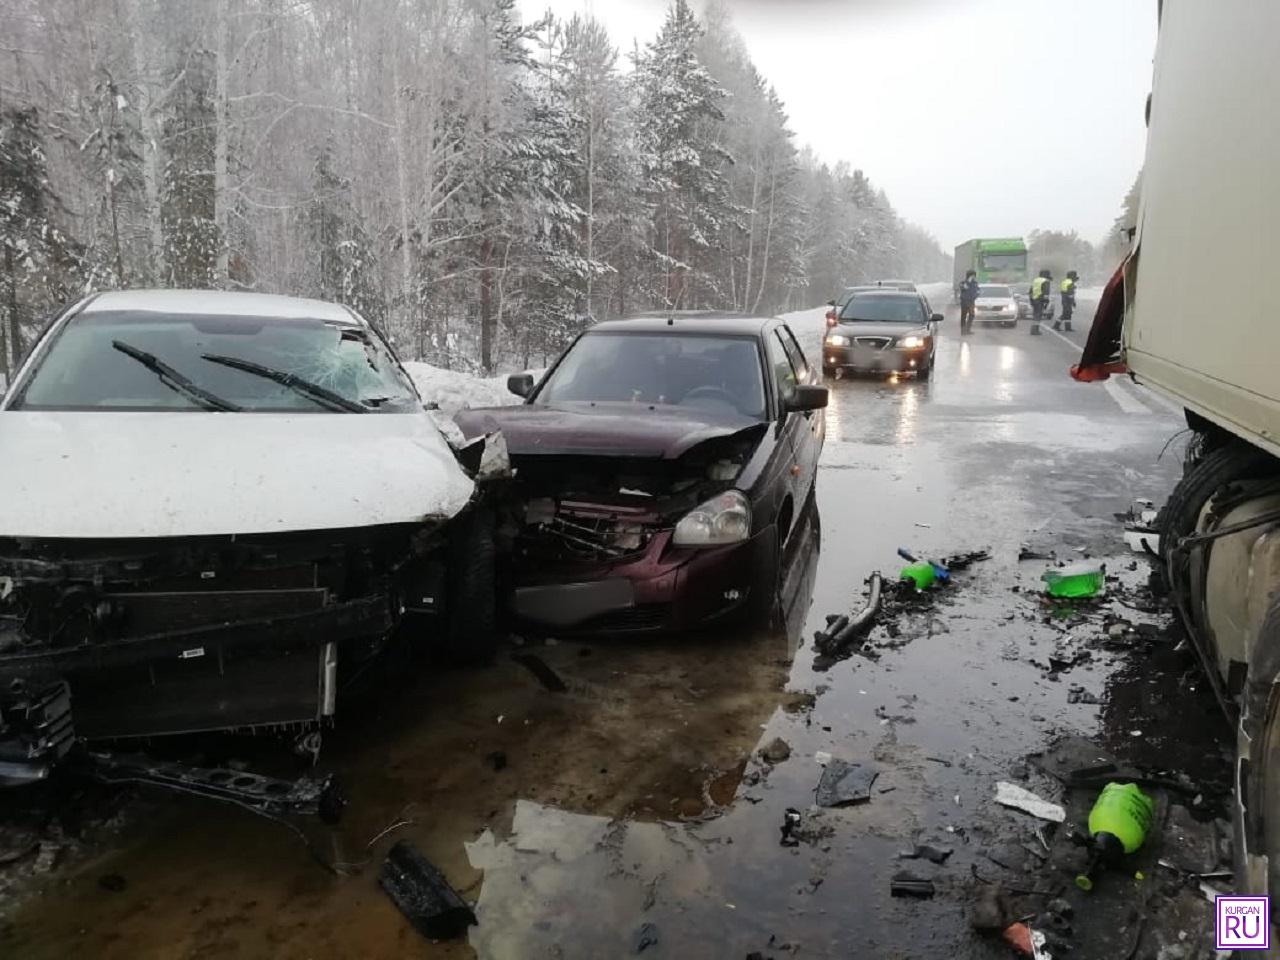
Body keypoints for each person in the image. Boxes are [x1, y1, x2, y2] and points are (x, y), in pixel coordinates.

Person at [1029, 268, 1052, 336]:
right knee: (1038, 315)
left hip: (1034, 300)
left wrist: (1031, 300)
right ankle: (1035, 331)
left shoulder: (1035, 280)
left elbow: (1030, 291)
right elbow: (1046, 293)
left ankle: (1033, 330)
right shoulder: (1046, 281)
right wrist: (1046, 302)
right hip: (1040, 300)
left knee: (1035, 315)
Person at [958, 270, 979, 334]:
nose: (973, 277)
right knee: (963, 316)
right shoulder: (963, 283)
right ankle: (963, 331)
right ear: (969, 276)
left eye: (974, 276)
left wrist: (976, 295)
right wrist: (968, 281)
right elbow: (964, 288)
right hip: (964, 301)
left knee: (972, 315)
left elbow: (977, 290)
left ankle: (968, 329)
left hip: (971, 302)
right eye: (972, 276)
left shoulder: (975, 283)